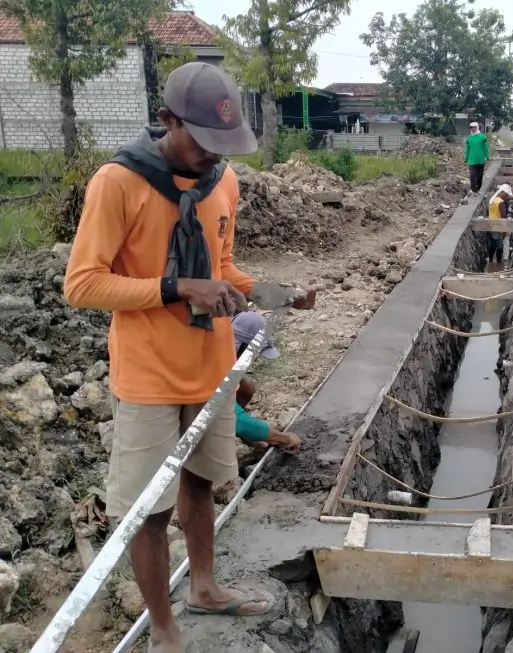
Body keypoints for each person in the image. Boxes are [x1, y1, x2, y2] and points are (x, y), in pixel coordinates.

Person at [63, 61, 316, 653]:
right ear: (167, 120)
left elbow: (220, 269)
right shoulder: (118, 183)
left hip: (210, 367)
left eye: (222, 147)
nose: (212, 156)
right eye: (203, 142)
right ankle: (165, 633)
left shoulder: (222, 182)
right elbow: (82, 284)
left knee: (201, 485)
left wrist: (278, 293)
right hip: (149, 375)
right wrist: (175, 288)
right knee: (146, 513)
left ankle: (204, 587)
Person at [231, 311, 302, 452]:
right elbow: (228, 413)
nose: (254, 359)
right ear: (241, 347)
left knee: (245, 386)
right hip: (186, 413)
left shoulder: (229, 358)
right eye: (253, 354)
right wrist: (284, 438)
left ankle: (239, 432)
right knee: (230, 418)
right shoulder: (213, 365)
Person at [487, 183, 513, 264]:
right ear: (502, 193)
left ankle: (490, 259)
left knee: (493, 243)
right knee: (500, 245)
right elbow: (504, 217)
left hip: (491, 225)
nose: (507, 197)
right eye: (506, 195)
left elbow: (488, 212)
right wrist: (505, 230)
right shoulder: (501, 202)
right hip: (498, 226)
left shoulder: (492, 200)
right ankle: (498, 262)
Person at [465, 121, 490, 194]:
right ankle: (473, 189)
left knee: (479, 175)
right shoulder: (469, 138)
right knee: (472, 174)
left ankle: (478, 187)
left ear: (477, 128)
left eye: (473, 127)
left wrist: (487, 156)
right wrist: (466, 158)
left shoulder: (482, 137)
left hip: (480, 159)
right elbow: (467, 149)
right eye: (471, 128)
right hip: (471, 159)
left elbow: (485, 148)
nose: (472, 129)